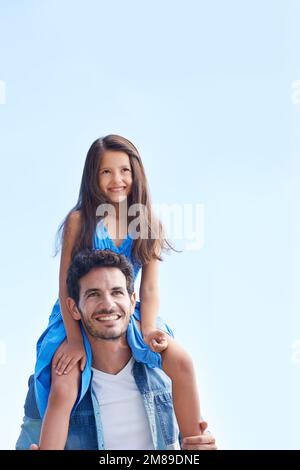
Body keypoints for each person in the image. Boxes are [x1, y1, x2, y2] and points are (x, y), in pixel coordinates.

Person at [34, 134, 202, 449]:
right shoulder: (79, 221)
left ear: (135, 173)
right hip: (79, 311)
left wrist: (149, 328)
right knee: (64, 381)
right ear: (93, 177)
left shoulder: (148, 223)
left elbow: (149, 286)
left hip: (129, 309)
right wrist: (74, 340)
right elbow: (64, 287)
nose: (117, 180)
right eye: (106, 172)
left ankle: (196, 441)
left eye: (124, 171)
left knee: (179, 359)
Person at [16, 249, 217, 450]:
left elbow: (195, 445)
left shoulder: (165, 373)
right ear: (74, 308)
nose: (108, 305)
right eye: (94, 294)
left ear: (132, 301)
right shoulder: (52, 384)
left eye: (117, 292)